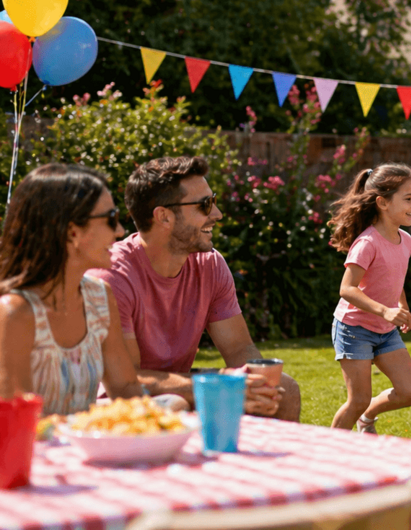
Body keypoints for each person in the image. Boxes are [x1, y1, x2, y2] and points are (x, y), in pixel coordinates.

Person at [88, 157, 300, 420]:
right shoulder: (112, 276)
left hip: (181, 388)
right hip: (117, 402)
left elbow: (238, 349)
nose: (217, 214)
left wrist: (259, 385)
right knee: (176, 403)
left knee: (284, 389)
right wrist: (219, 387)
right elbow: (128, 379)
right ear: (163, 216)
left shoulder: (210, 264)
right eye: (205, 205)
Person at [0, 164, 146, 415]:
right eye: (111, 219)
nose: (121, 231)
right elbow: (16, 421)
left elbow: (126, 387)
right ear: (72, 231)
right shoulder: (15, 314)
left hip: (87, 451)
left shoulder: (100, 297)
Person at [326, 164, 411, 434]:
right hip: (354, 329)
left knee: (410, 391)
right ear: (382, 202)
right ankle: (328, 452)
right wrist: (385, 311)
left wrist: (402, 306)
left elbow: (395, 278)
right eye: (408, 198)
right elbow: (347, 289)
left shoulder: (405, 240)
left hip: (384, 330)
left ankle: (367, 416)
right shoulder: (367, 243)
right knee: (357, 399)